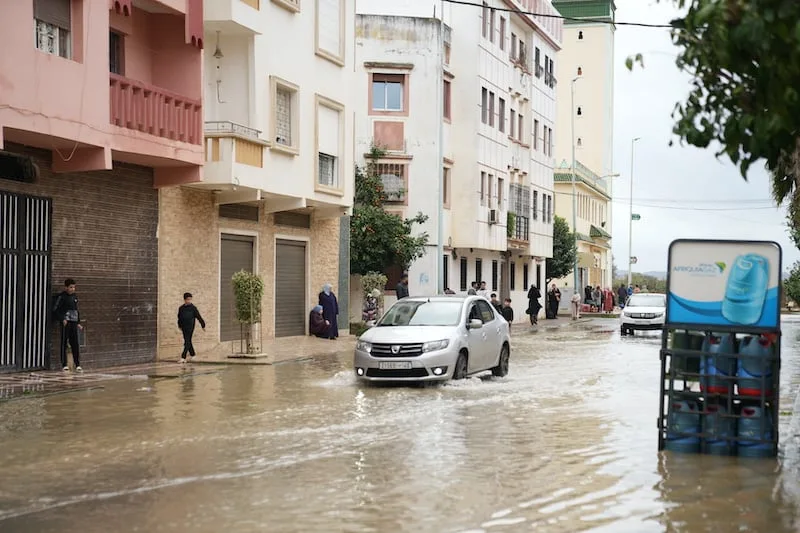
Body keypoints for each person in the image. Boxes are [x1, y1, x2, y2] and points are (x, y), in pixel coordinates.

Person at [53, 278, 84, 372]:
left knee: (75, 343)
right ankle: (64, 364)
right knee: (64, 343)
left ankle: (77, 364)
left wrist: (78, 322)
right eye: (71, 287)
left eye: (74, 287)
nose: (72, 289)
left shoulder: (75, 297)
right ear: (66, 287)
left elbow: (76, 309)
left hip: (74, 322)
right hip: (66, 323)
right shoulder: (61, 297)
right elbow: (55, 309)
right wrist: (62, 318)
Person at [177, 292, 206, 364]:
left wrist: (203, 325)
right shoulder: (181, 308)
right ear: (184, 300)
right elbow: (179, 317)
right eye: (188, 299)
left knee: (187, 341)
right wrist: (179, 325)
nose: (189, 301)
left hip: (190, 326)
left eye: (190, 299)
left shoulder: (193, 308)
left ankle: (183, 357)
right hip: (183, 326)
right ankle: (193, 355)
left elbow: (198, 317)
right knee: (188, 340)